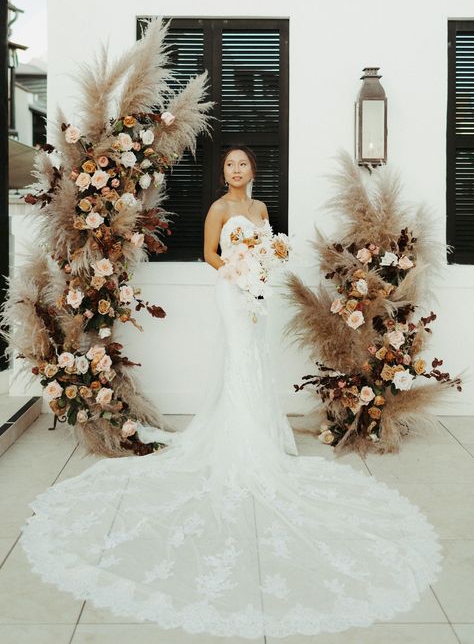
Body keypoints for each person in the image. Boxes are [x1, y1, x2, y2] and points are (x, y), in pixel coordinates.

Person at [20, 145, 443, 639]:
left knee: (256, 358)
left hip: (257, 294)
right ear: (223, 173)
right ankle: (239, 439)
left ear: (252, 170)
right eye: (229, 165)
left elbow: (266, 246)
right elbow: (209, 253)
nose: (236, 170)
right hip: (231, 291)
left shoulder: (260, 210)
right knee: (241, 355)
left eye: (242, 164)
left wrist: (264, 265)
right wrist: (237, 274)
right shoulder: (219, 208)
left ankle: (261, 430)